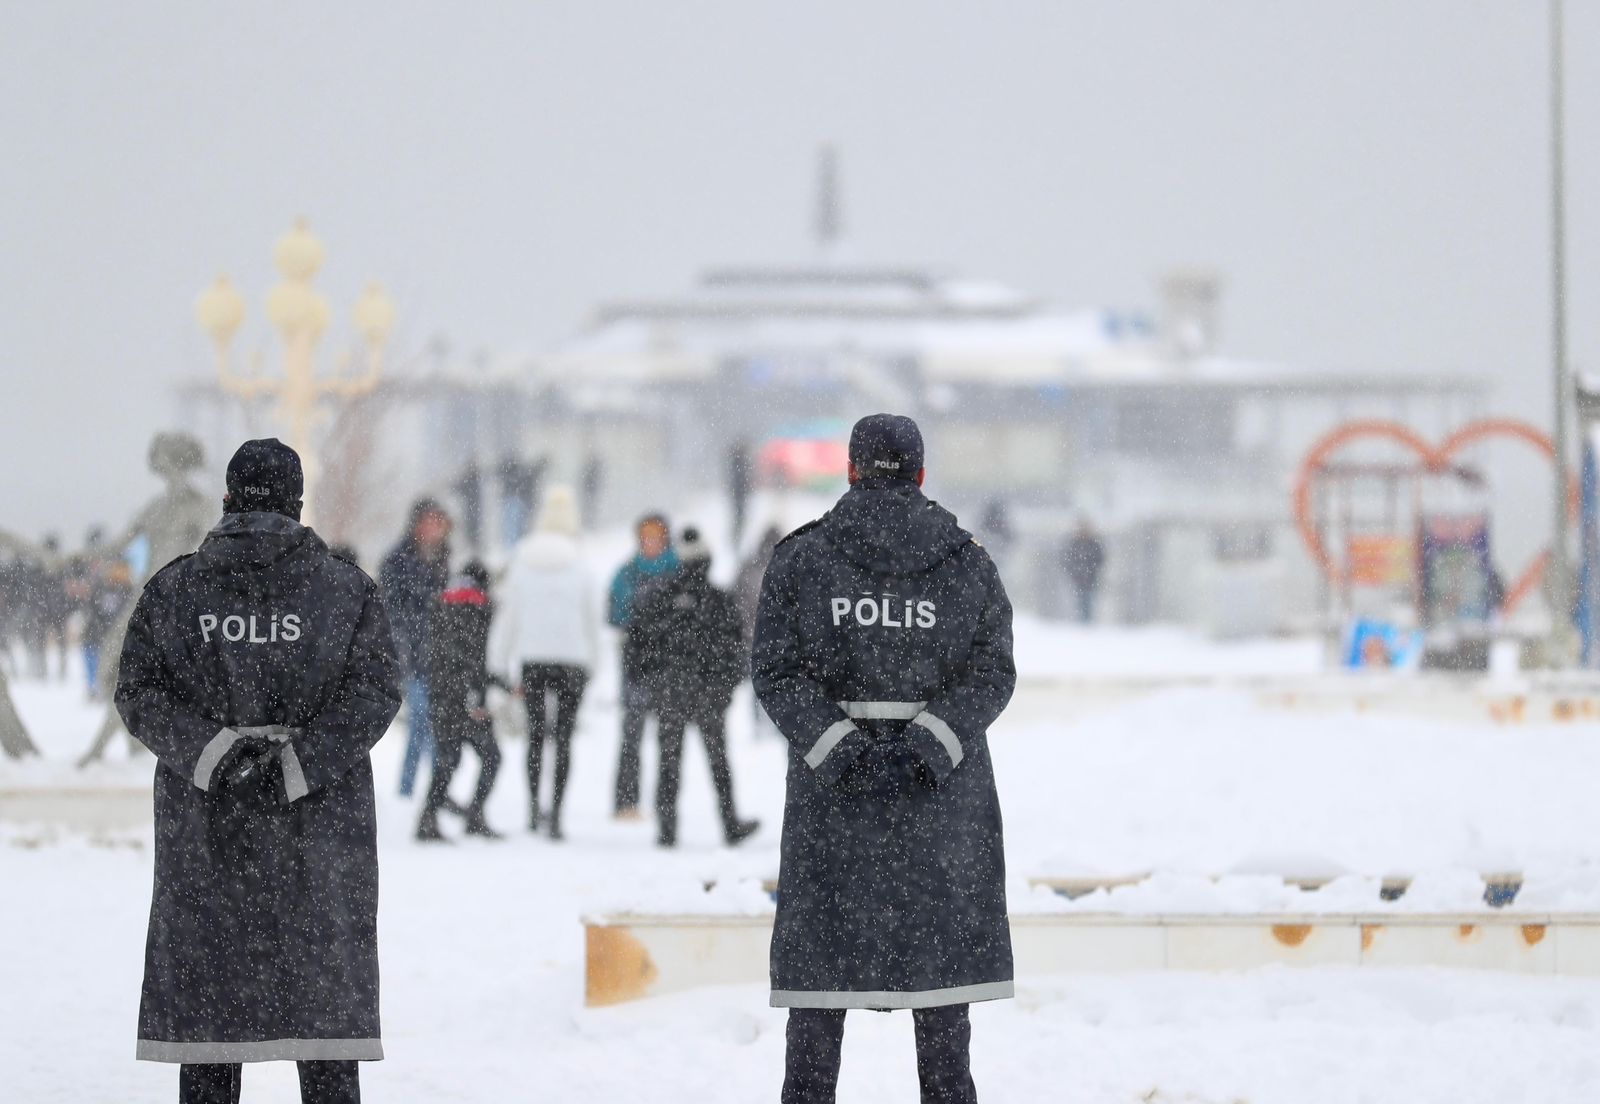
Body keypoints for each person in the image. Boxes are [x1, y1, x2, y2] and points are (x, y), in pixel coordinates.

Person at [114, 438, 401, 1104]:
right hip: (321, 832)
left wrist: (218, 756)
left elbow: (140, 691)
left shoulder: (175, 588)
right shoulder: (346, 590)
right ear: (298, 505)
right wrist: (296, 765)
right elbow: (374, 694)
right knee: (323, 1025)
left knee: (212, 1026)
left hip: (206, 829)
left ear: (227, 498)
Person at [753, 413, 1015, 1104]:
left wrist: (843, 751)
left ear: (851, 469)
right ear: (923, 472)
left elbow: (777, 674)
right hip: (941, 804)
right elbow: (992, 672)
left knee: (817, 1001)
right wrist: (927, 745)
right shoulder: (967, 561)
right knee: (942, 1005)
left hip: (830, 808)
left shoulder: (801, 559)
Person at [629, 527, 760, 849]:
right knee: (718, 761)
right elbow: (736, 649)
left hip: (670, 692)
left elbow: (637, 646)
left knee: (668, 761)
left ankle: (667, 828)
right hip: (708, 694)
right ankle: (729, 823)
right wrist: (725, 688)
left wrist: (652, 684)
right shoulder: (718, 599)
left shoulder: (658, 597)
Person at [489, 486, 594, 839]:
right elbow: (590, 617)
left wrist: (499, 663)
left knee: (535, 737)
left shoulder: (522, 561)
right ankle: (558, 816)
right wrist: (593, 663)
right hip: (572, 659)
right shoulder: (579, 562)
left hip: (533, 660)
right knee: (563, 739)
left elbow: (508, 617)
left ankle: (534, 809)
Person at [416, 560, 503, 843]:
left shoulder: (441, 604)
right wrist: (474, 697)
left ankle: (429, 818)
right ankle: (471, 815)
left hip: (441, 694)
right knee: (490, 757)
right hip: (464, 697)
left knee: (448, 759)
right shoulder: (477, 607)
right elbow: (473, 658)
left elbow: (442, 655)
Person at [606, 514, 678, 819]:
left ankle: (666, 804)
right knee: (631, 736)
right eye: (645, 535)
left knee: (669, 739)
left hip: (668, 665)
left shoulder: (678, 572)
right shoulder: (626, 574)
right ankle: (626, 800)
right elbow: (613, 613)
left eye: (656, 535)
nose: (650, 541)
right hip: (636, 665)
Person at [380, 498, 452, 797]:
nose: (435, 528)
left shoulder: (444, 559)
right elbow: (392, 612)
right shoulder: (398, 561)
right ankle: (416, 790)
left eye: (439, 522)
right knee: (423, 721)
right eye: (430, 521)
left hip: (437, 656)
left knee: (433, 725)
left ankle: (433, 790)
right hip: (410, 655)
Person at [1062, 519, 1106, 624]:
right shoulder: (1074, 544)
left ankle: (1088, 622)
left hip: (1091, 579)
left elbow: (1100, 559)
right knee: (1079, 601)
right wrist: (1075, 572)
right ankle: (1080, 622)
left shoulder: (1093, 544)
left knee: (1089, 601)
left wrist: (1092, 571)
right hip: (1078, 579)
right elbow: (1068, 560)